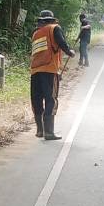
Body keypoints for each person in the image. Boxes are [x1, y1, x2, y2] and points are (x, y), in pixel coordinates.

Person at [29, 9, 74, 141]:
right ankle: (49, 132)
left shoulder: (36, 33)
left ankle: (40, 130)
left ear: (41, 21)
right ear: (52, 20)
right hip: (49, 70)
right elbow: (61, 43)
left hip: (35, 71)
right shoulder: (54, 28)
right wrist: (70, 52)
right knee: (51, 99)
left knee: (36, 99)